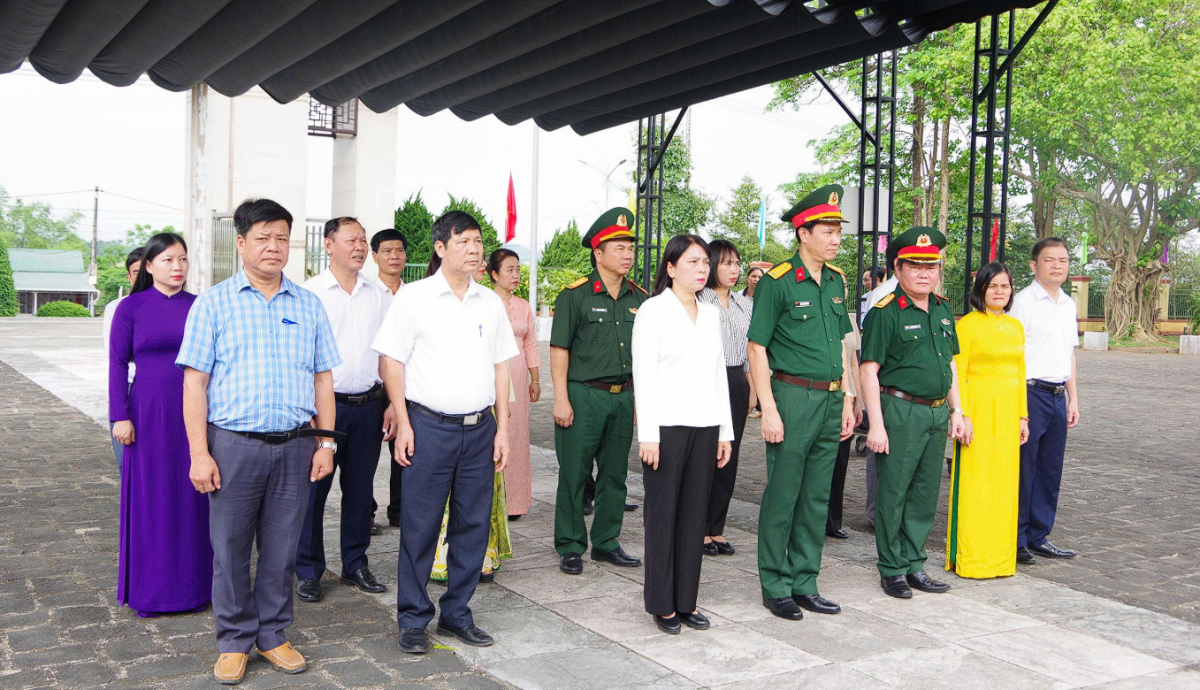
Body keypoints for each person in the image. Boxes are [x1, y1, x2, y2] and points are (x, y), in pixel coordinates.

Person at [177, 198, 341, 685]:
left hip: (296, 446)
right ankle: (233, 640)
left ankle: (272, 634)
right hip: (233, 446)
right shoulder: (213, 303)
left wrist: (326, 444)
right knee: (229, 547)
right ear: (241, 242)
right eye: (263, 237)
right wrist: (200, 453)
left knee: (282, 547)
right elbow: (194, 384)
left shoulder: (308, 305)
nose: (274, 247)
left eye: (282, 238)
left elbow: (323, 380)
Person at [371, 210, 518, 655]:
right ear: (440, 247)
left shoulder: (489, 302)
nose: (474, 250)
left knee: (473, 525)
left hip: (480, 430)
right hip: (429, 427)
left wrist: (502, 430)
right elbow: (391, 362)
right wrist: (403, 421)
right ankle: (413, 618)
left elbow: (501, 368)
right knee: (421, 525)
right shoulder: (414, 298)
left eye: (478, 242)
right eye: (463, 242)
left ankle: (457, 613)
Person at [747, 185, 856, 621]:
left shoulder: (835, 281)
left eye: (838, 231)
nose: (835, 239)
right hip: (792, 398)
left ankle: (805, 581)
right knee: (783, 494)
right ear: (803, 234)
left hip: (830, 400)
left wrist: (847, 398)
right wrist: (769, 408)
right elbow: (757, 348)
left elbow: (842, 344)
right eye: (827, 231)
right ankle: (775, 584)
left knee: (815, 497)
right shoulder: (777, 283)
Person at [633, 235, 733, 634]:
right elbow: (643, 374)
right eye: (692, 262)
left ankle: (686, 601)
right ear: (671, 268)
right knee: (663, 515)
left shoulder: (710, 314)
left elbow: (718, 374)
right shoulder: (653, 311)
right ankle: (662, 603)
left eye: (705, 262)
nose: (702, 269)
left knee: (694, 517)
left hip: (705, 426)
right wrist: (648, 434)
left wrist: (724, 431)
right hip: (667, 429)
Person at [860, 226, 965, 599]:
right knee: (894, 491)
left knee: (924, 492)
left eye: (930, 266)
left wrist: (957, 410)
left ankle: (914, 563)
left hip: (936, 413)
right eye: (915, 266)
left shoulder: (943, 308)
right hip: (900, 410)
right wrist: (875, 425)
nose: (924, 273)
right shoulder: (885, 312)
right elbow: (868, 371)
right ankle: (892, 569)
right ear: (898, 268)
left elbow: (949, 364)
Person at [109, 233, 210, 618]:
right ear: (149, 266)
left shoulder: (200, 306)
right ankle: (152, 592)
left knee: (192, 496)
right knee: (151, 498)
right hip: (147, 411)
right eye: (168, 260)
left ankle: (195, 589)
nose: (177, 267)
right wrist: (120, 415)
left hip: (195, 409)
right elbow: (117, 363)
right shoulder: (130, 307)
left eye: (182, 259)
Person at [295, 218, 392, 604]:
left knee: (360, 490)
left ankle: (355, 563)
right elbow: (301, 358)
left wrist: (390, 404)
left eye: (363, 240)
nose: (360, 247)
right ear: (328, 245)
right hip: (324, 409)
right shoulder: (310, 294)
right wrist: (310, 414)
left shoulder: (377, 294)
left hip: (368, 406)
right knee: (313, 491)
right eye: (351, 240)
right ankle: (308, 570)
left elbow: (388, 354)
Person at [550, 207, 646, 575]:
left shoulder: (639, 298)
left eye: (630, 248)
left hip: (623, 396)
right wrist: (561, 398)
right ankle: (570, 544)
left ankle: (606, 541)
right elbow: (560, 349)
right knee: (574, 474)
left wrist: (639, 401)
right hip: (583, 395)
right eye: (619, 248)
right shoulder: (574, 295)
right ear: (598, 253)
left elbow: (643, 355)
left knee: (615, 474)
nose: (627, 254)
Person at [946, 262, 1029, 578]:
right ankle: (972, 557)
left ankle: (1000, 558)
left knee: (1004, 485)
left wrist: (1023, 415)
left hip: (1008, 414)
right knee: (976, 483)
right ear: (980, 289)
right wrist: (963, 414)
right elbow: (958, 372)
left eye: (1005, 286)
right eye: (993, 285)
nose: (999, 291)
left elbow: (1020, 372)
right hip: (978, 410)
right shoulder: (967, 326)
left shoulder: (1016, 326)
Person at [1009, 237, 1080, 564]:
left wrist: (1073, 399)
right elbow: (1013, 356)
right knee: (1025, 468)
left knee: (1050, 469)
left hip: (1057, 395)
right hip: (1030, 393)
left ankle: (1039, 535)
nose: (1057, 266)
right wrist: (1019, 407)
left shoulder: (1067, 303)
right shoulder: (1023, 302)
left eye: (1062, 260)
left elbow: (1069, 355)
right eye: (1049, 260)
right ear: (1034, 265)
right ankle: (1017, 537)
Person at [697, 239, 754, 555]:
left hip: (736, 379)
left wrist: (752, 387)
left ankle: (716, 528)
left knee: (729, 457)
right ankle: (699, 528)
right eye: (726, 263)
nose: (734, 270)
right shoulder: (698, 299)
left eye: (737, 264)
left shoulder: (745, 304)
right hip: (707, 380)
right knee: (706, 454)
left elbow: (751, 350)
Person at [488, 248, 541, 518]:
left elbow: (530, 343)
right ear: (494, 274)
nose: (515, 274)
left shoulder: (523, 306)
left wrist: (535, 378)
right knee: (495, 433)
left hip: (519, 377)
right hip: (493, 375)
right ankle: (491, 499)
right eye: (509, 270)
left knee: (518, 437)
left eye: (518, 269)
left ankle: (515, 501)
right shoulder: (485, 303)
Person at [370, 228, 408, 531]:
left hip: (406, 386)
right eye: (387, 251)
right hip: (371, 386)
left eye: (399, 251)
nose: (394, 256)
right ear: (375, 256)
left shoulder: (414, 296)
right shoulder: (366, 294)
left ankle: (399, 510)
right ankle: (365, 513)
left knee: (404, 451)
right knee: (366, 456)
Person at [860, 243, 900, 524]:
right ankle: (877, 513)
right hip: (886, 386)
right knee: (881, 451)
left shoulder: (931, 299)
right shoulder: (882, 295)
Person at [826, 282, 864, 540]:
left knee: (840, 462)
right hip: (824, 393)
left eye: (846, 284)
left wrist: (857, 400)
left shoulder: (848, 319)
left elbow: (853, 364)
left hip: (846, 397)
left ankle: (832, 521)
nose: (842, 288)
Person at [105, 246, 143, 472]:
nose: (143, 277)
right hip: (128, 388)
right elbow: (117, 359)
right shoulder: (117, 308)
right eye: (137, 273)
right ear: (129, 276)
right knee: (129, 464)